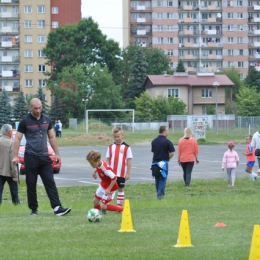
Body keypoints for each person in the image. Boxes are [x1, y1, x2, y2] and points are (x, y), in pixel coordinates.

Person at [12, 98, 71, 216]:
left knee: (50, 183)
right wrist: (15, 156)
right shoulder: (25, 121)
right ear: (31, 108)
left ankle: (57, 208)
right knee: (31, 183)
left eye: (40, 108)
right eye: (35, 108)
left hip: (44, 157)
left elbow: (52, 137)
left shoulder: (47, 120)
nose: (38, 110)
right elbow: (17, 139)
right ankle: (34, 210)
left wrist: (57, 154)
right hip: (31, 156)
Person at [106, 126, 133, 207]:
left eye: (118, 136)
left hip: (121, 173)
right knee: (110, 189)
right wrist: (106, 171)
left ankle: (119, 206)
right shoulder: (110, 147)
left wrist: (128, 173)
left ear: (122, 135)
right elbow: (108, 159)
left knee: (120, 188)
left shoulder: (127, 147)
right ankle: (106, 205)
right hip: (111, 173)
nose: (116, 138)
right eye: (114, 137)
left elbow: (129, 161)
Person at [151, 126, 175, 199]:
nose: (168, 132)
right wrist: (167, 159)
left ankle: (158, 193)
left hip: (155, 163)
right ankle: (160, 196)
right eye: (167, 130)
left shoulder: (154, 141)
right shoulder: (167, 141)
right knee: (162, 179)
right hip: (163, 163)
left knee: (157, 178)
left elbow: (153, 152)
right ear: (164, 131)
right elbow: (172, 153)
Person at [0, 124, 19, 205]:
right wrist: (15, 175)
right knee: (14, 189)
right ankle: (16, 204)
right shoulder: (11, 143)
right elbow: (13, 160)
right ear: (10, 132)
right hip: (9, 172)